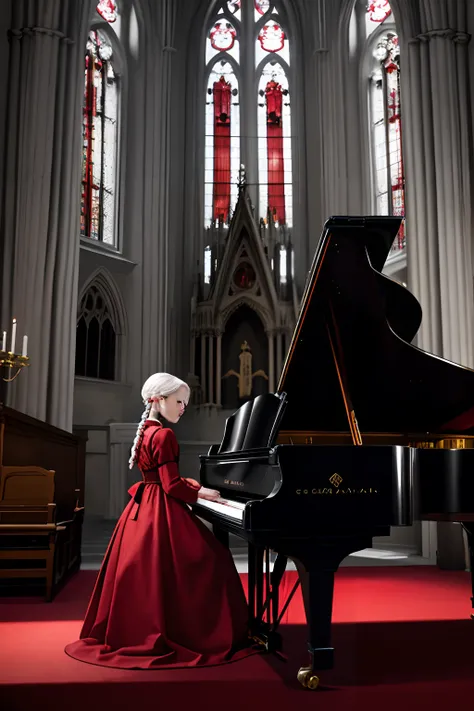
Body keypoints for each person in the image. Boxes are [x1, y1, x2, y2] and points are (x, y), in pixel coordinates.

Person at [65, 373, 254, 669]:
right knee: (214, 557)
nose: (182, 408)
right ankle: (207, 632)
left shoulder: (146, 433)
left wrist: (188, 484)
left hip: (141, 510)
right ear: (159, 399)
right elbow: (171, 487)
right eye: (179, 402)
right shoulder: (164, 435)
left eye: (185, 403)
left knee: (150, 572)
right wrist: (203, 492)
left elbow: (160, 478)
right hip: (161, 509)